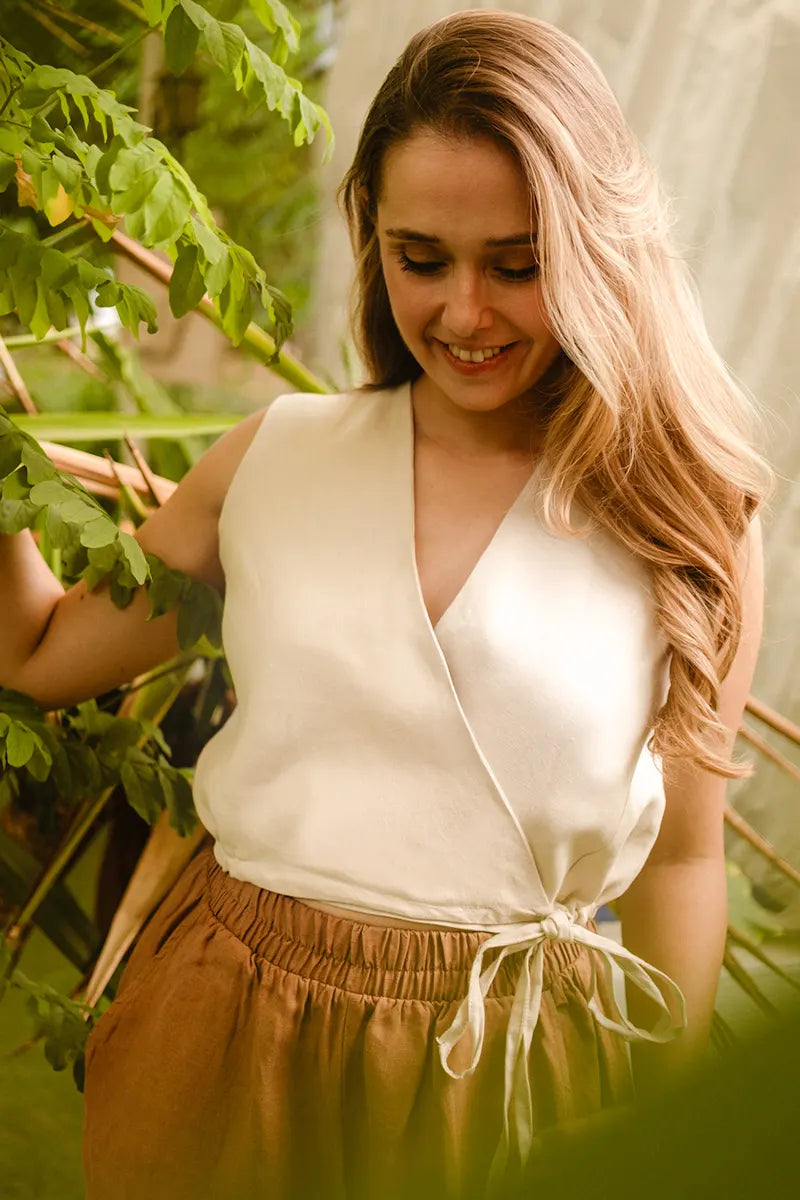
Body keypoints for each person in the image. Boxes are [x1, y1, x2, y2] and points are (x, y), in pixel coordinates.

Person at [0, 9, 774, 1200]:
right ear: (373, 238)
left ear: (598, 245)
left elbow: (679, 860)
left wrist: (664, 1122)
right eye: (422, 259)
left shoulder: (683, 514)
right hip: (220, 1031)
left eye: (516, 264)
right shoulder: (277, 456)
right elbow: (45, 652)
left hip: (508, 1070)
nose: (464, 314)